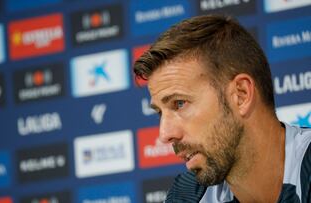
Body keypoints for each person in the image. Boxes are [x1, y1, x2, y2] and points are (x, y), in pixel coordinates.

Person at [133, 15, 311, 203]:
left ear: (241, 95)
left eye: (179, 103)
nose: (165, 134)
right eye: (160, 112)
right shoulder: (187, 194)